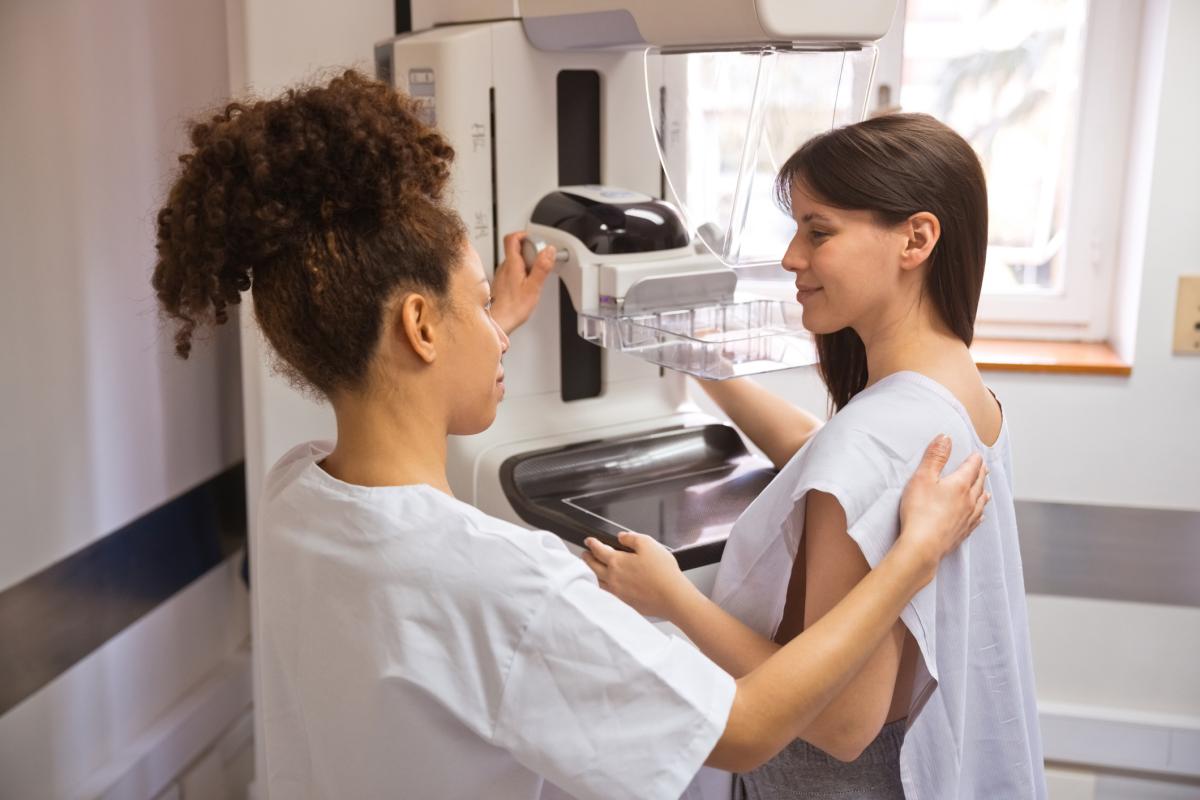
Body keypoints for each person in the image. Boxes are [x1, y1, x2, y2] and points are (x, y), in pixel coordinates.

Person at [152, 73, 989, 800]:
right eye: (481, 303)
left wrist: (478, 331)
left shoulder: (298, 493)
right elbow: (746, 730)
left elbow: (400, 433)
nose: (498, 322)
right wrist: (913, 557)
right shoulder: (513, 586)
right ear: (419, 328)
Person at [585, 113, 1047, 799]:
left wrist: (671, 598)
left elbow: (840, 722)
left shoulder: (874, 437)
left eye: (818, 231)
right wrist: (709, 369)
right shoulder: (960, 395)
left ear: (916, 239)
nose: (792, 257)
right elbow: (827, 454)